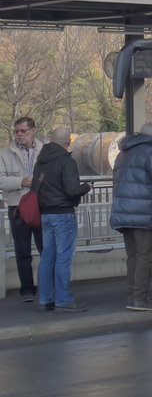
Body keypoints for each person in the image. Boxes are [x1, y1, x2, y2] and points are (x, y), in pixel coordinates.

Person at [110, 123, 152, 312]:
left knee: (133, 256)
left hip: (124, 212)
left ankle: (133, 295)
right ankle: (140, 298)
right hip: (144, 212)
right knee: (146, 256)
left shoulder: (123, 153)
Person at [35, 126, 90, 313]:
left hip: (45, 214)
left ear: (51, 140)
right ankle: (63, 299)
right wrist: (86, 187)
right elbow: (72, 190)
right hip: (63, 214)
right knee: (64, 257)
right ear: (68, 142)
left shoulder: (41, 160)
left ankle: (45, 299)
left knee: (47, 257)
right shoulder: (67, 161)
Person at [1, 116, 44, 301]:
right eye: (16, 131)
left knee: (46, 249)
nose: (19, 134)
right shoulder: (4, 153)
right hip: (17, 207)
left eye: (23, 131)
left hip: (41, 205)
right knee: (22, 250)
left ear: (33, 130)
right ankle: (27, 290)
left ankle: (47, 287)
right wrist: (22, 181)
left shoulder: (45, 150)